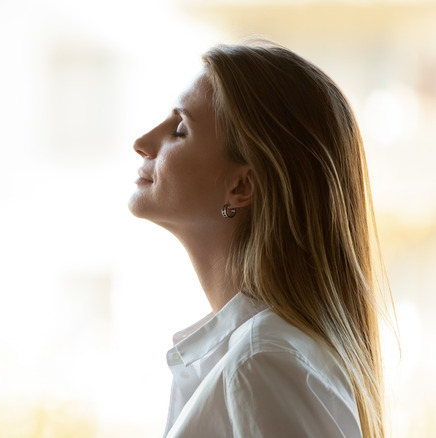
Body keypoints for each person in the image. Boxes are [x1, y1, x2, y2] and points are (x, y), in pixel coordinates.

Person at [128, 40, 393, 438]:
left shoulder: (262, 362)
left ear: (241, 185)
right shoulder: (257, 357)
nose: (143, 142)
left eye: (180, 130)